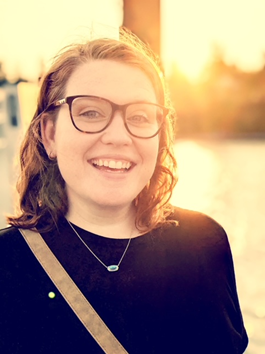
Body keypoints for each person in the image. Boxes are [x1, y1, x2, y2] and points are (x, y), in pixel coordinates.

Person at [0, 27, 248, 354]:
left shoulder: (204, 243)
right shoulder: (8, 264)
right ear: (49, 134)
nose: (118, 136)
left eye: (141, 116)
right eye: (90, 112)